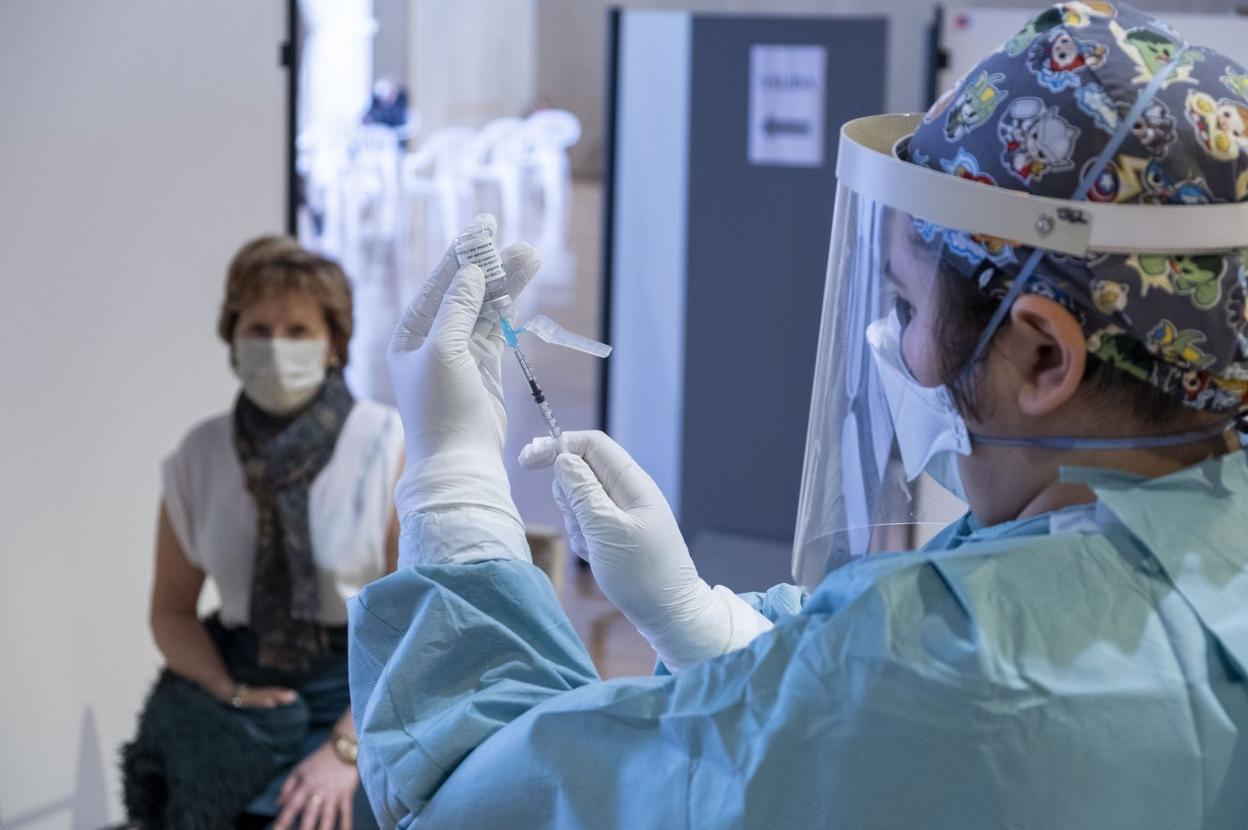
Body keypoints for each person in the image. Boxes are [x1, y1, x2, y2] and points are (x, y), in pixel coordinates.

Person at [349, 5, 1248, 827]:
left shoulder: (933, 677)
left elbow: (469, 798)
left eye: (903, 305)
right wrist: (719, 638)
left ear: (1044, 355)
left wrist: (452, 483)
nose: (892, 344)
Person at [121, 237, 404, 829]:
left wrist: (346, 749)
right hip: (247, 688)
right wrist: (228, 691)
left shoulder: (386, 446)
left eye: (298, 330)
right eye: (258, 328)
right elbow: (171, 613)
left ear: (333, 344)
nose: (276, 346)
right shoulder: (198, 457)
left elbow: (416, 625)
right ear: (233, 339)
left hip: (366, 689)